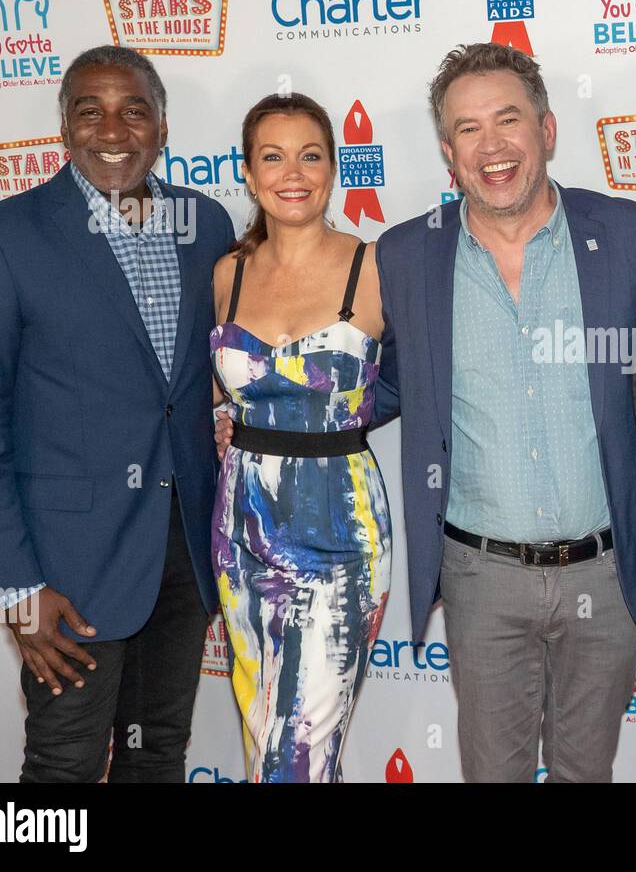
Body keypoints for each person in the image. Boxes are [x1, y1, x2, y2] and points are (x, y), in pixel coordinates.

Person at [0, 45, 235, 782]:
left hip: (183, 556)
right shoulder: (0, 238)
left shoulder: (205, 226)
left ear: (162, 127)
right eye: (90, 110)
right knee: (64, 765)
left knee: (158, 752)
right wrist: (12, 585)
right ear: (64, 129)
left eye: (134, 109)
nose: (114, 128)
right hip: (66, 570)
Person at [375, 43, 636, 782]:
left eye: (508, 120)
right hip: (481, 576)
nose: (492, 145)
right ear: (448, 151)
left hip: (605, 572)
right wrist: (264, 413)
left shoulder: (634, 237)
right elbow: (382, 384)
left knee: (584, 773)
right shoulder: (407, 255)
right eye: (468, 129)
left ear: (547, 128)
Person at [210, 92, 391, 783]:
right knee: (267, 740)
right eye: (273, 157)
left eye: (311, 155)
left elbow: (422, 381)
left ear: (334, 168)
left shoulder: (373, 267)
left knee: (299, 751)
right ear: (250, 174)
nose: (294, 172)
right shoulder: (226, 275)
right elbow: (210, 390)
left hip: (340, 531)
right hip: (240, 531)